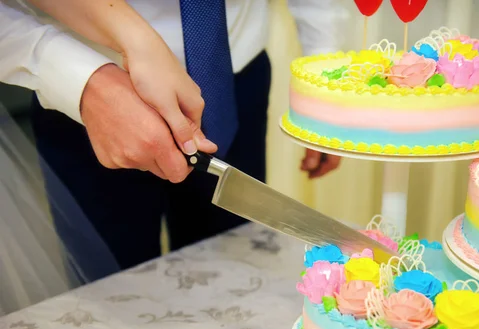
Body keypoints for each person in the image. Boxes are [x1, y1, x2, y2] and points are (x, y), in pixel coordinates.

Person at [0, 0, 350, 283]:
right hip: (89, 98)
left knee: (234, 279)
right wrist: (82, 79)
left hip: (236, 78)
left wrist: (324, 74)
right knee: (114, 297)